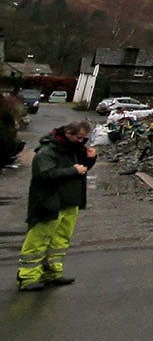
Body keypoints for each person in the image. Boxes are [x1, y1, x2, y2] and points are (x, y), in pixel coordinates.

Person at [19, 117, 96, 292]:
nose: (82, 142)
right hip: (49, 203)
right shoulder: (47, 152)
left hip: (70, 203)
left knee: (60, 241)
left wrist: (91, 159)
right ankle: (27, 277)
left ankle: (52, 273)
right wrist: (73, 170)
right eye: (79, 138)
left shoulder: (74, 149)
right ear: (68, 133)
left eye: (84, 138)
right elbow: (45, 175)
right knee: (38, 241)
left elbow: (81, 168)